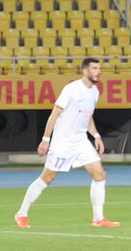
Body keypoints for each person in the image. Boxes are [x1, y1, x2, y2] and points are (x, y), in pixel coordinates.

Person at [14, 58, 119, 228]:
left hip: (81, 142)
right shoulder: (71, 89)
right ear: (85, 71)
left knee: (99, 175)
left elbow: (87, 116)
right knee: (47, 178)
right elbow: (54, 114)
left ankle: (98, 219)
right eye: (94, 68)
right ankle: (22, 213)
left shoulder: (95, 92)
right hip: (62, 143)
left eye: (99, 68)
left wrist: (96, 135)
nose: (99, 71)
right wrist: (45, 140)